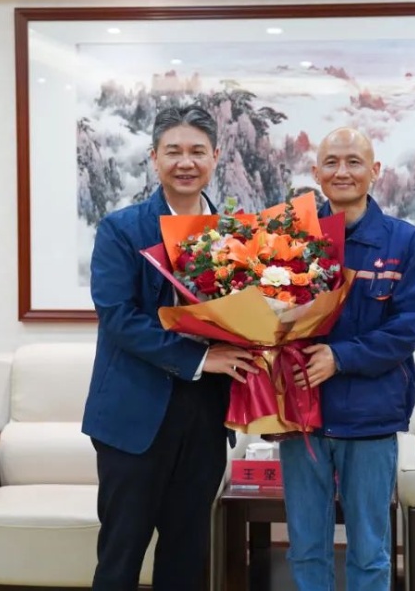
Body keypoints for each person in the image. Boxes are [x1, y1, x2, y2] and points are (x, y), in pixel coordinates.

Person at [83, 104, 258, 591]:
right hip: (133, 415)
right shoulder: (121, 229)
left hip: (205, 416)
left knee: (187, 556)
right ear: (154, 158)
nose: (186, 162)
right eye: (174, 151)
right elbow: (118, 317)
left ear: (216, 157)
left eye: (197, 151)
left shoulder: (238, 235)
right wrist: (200, 357)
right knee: (120, 557)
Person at [280, 127, 415, 591]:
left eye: (353, 161)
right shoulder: (292, 238)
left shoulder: (403, 242)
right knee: (306, 547)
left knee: (369, 551)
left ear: (375, 170)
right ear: (316, 172)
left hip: (370, 417)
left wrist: (340, 357)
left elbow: (407, 328)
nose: (342, 171)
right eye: (331, 162)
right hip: (303, 416)